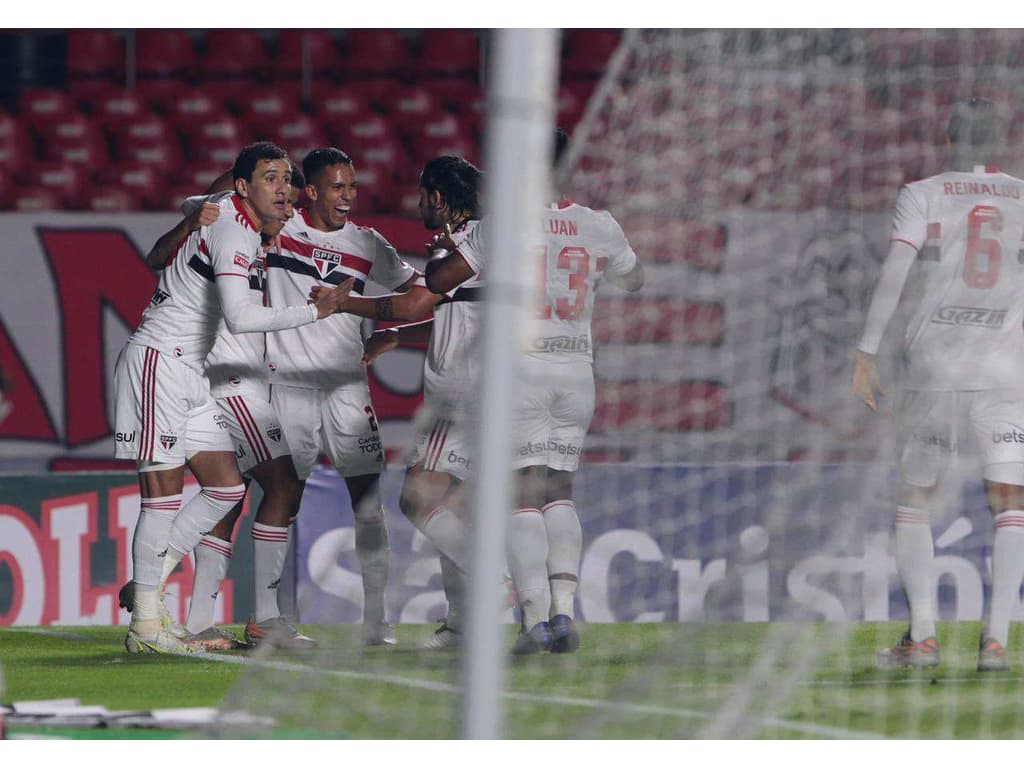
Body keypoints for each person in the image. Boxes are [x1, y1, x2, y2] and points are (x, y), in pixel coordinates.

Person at [112, 142, 349, 654]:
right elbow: (240, 317)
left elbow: (194, 210)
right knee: (161, 500)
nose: (283, 187)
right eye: (269, 178)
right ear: (243, 187)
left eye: (286, 178)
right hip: (159, 361)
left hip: (188, 371)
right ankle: (147, 628)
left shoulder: (234, 219)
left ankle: (154, 591)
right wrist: (316, 313)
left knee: (226, 489)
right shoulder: (231, 231)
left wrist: (200, 208)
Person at [853, 98, 1024, 672]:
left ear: (949, 139)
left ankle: (923, 637)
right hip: (1005, 369)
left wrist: (867, 350)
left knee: (915, 499)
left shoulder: (923, 192)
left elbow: (895, 272)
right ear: (998, 140)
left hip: (937, 367)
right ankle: (996, 641)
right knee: (1010, 503)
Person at [498, 127, 644, 654]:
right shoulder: (599, 224)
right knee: (559, 491)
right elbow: (634, 278)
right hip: (577, 371)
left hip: (525, 369)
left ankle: (533, 620)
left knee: (520, 494)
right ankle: (564, 614)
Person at [264, 148, 416, 646]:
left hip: (348, 388)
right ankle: (275, 618)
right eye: (337, 186)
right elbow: (205, 205)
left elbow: (422, 291)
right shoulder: (280, 230)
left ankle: (378, 620)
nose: (348, 196)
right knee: (284, 501)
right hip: (288, 385)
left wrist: (394, 333)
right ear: (311, 191)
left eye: (352, 186)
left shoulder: (368, 243)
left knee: (368, 504)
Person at [359, 155, 485, 649]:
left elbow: (419, 299)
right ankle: (461, 625)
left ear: (438, 197)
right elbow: (463, 315)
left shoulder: (455, 249)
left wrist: (346, 303)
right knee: (454, 509)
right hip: (499, 391)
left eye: (421, 196)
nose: (418, 206)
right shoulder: (490, 243)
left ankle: (493, 581)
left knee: (418, 497)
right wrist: (399, 336)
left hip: (458, 393)